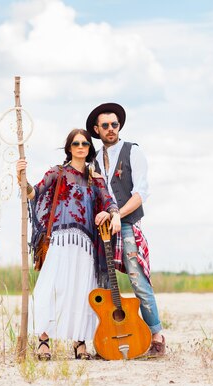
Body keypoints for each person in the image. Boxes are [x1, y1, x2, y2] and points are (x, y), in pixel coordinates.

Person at [16, 128, 121, 360]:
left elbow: (109, 202)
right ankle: (43, 341)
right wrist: (21, 178)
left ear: (89, 148)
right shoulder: (58, 172)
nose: (81, 146)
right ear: (69, 148)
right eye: (76, 143)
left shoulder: (96, 180)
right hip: (60, 241)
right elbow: (35, 193)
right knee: (50, 288)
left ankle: (80, 342)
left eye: (84, 143)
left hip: (86, 245)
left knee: (82, 291)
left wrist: (113, 215)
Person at [86, 103, 166, 357]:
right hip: (103, 229)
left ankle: (157, 337)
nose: (111, 129)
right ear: (97, 130)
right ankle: (107, 337)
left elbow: (141, 192)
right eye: (105, 126)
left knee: (137, 280)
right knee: (105, 283)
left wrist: (118, 215)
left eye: (115, 125)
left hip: (128, 224)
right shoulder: (94, 159)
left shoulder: (133, 152)